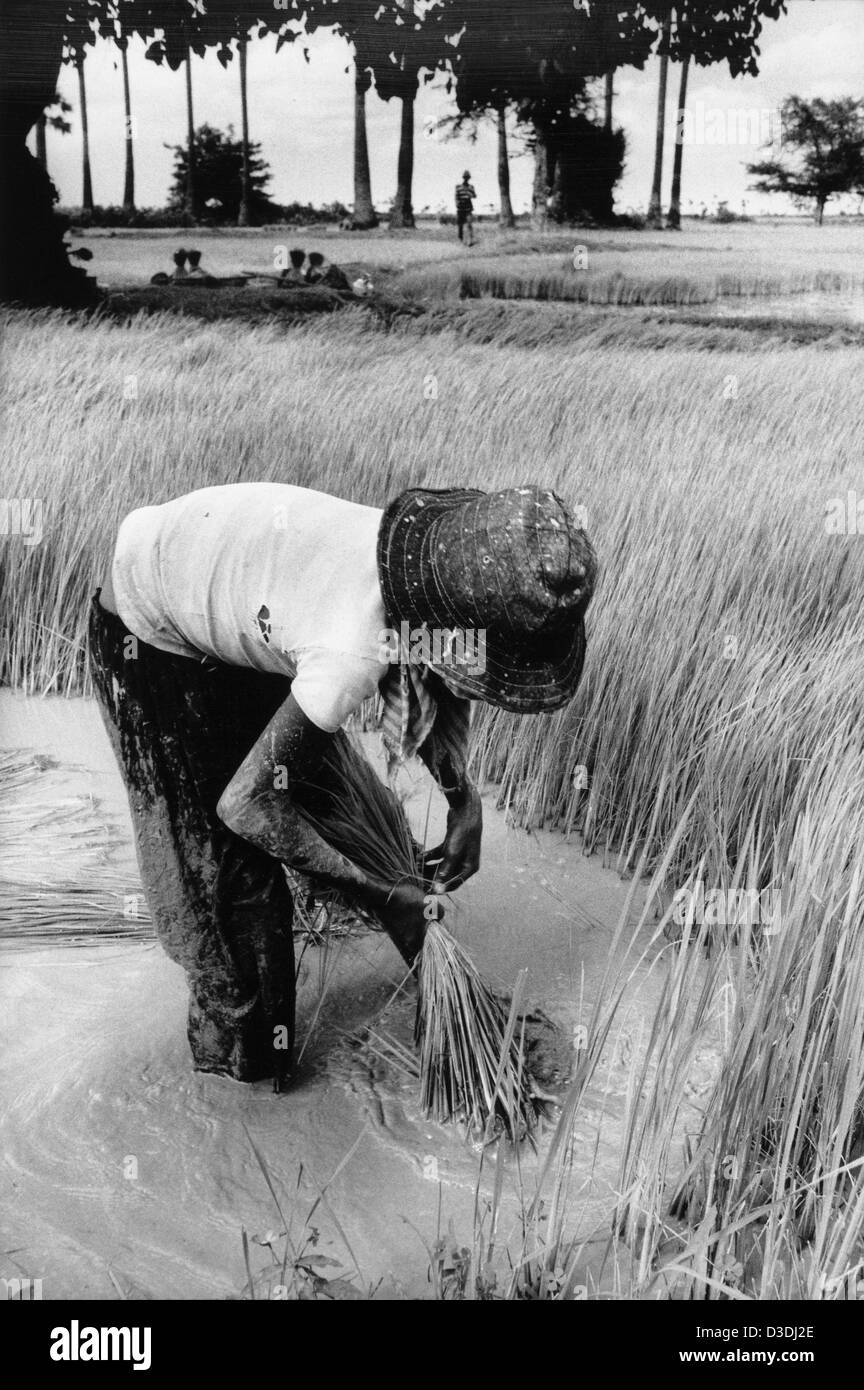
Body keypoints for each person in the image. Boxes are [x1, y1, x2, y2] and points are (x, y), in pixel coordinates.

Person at [90, 484, 595, 1089]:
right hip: (150, 632)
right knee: (236, 905)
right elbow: (245, 804)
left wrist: (464, 802)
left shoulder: (423, 572)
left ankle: (419, 947)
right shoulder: (352, 645)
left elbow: (432, 679)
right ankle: (238, 1080)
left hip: (242, 618)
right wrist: (380, 894)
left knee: (350, 820)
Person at [455, 171, 477, 245]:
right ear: (463, 178)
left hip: (468, 209)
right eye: (465, 177)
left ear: (469, 178)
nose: (466, 179)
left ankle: (470, 240)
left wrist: (469, 194)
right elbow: (456, 196)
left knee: (469, 224)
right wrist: (457, 203)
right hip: (460, 208)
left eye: (467, 177)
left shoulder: (471, 187)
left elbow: (474, 196)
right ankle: (460, 239)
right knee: (460, 225)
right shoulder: (458, 187)